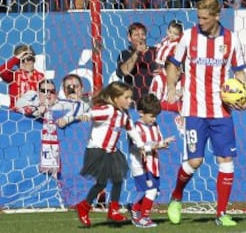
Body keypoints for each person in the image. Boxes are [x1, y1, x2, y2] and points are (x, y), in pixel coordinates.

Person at [165, 0, 246, 226]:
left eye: (204, 18)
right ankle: (176, 197)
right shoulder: (189, 37)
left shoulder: (231, 40)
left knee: (226, 159)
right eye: (198, 17)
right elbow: (173, 64)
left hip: (221, 111)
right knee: (195, 161)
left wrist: (245, 95)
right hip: (194, 109)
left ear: (216, 16)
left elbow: (239, 71)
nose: (200, 22)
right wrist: (171, 84)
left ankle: (221, 214)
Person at [75, 81, 146, 227]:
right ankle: (85, 206)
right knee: (101, 183)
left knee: (118, 179)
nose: (129, 101)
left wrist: (141, 146)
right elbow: (94, 113)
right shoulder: (108, 110)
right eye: (126, 98)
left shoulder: (124, 115)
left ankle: (112, 209)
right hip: (97, 151)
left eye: (130, 98)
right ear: (115, 99)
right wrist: (86, 115)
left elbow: (131, 129)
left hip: (111, 151)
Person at [127, 94, 175, 228]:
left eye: (155, 116)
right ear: (140, 112)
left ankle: (135, 208)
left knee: (154, 191)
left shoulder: (155, 125)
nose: (154, 119)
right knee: (151, 191)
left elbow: (157, 141)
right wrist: (157, 145)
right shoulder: (135, 128)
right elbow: (140, 146)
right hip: (140, 165)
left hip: (153, 164)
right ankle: (143, 218)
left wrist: (163, 143)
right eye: (151, 116)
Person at [15, 79, 89, 127]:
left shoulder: (59, 103)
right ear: (38, 92)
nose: (48, 94)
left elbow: (82, 105)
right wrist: (36, 109)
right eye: (44, 91)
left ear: (56, 94)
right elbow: (19, 103)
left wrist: (66, 119)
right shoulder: (33, 95)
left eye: (52, 91)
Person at [116, 22, 159, 104]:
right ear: (129, 37)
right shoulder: (125, 54)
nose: (140, 37)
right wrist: (137, 52)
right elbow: (124, 72)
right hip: (134, 103)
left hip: (155, 102)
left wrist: (163, 71)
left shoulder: (156, 51)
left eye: (143, 34)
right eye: (136, 35)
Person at [0, 44, 44, 109]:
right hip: (17, 114)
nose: (26, 62)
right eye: (22, 60)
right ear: (17, 63)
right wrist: (17, 58)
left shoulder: (41, 76)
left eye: (29, 59)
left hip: (36, 113)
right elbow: (2, 71)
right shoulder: (14, 75)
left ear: (34, 60)